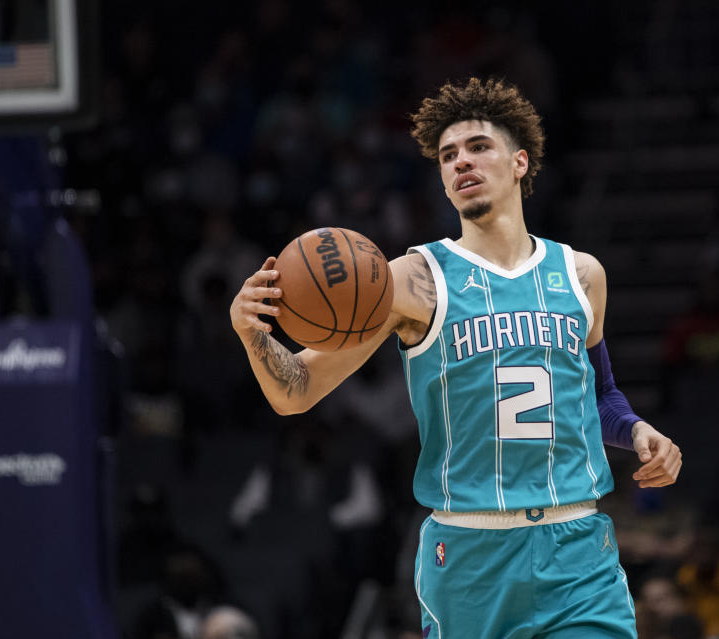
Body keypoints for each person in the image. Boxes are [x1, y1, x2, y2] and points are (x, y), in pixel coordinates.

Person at [229, 77, 683, 638]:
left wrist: (637, 431)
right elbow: (294, 390)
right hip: (472, 555)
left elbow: (598, 393)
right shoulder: (410, 279)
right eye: (448, 156)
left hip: (578, 551)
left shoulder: (582, 274)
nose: (461, 162)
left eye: (478, 147)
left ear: (520, 162)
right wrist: (254, 335)